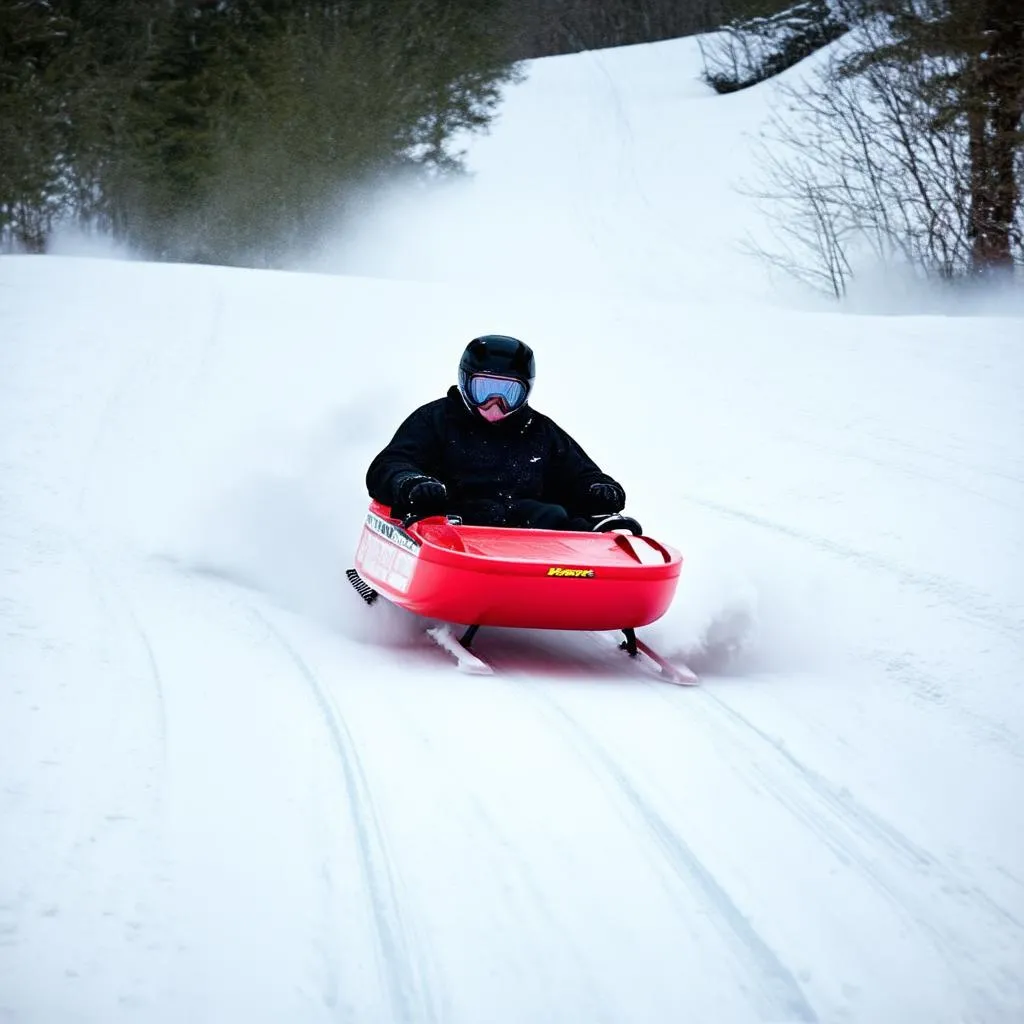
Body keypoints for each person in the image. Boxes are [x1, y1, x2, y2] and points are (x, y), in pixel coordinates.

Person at [366, 334, 628, 530]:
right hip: (455, 528)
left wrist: (597, 489)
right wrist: (412, 482)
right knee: (458, 514)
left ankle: (603, 577)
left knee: (554, 515)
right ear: (465, 382)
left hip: (528, 536)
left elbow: (580, 473)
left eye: (508, 394)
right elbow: (389, 464)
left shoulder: (539, 432)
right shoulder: (436, 420)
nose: (495, 405)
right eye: (484, 390)